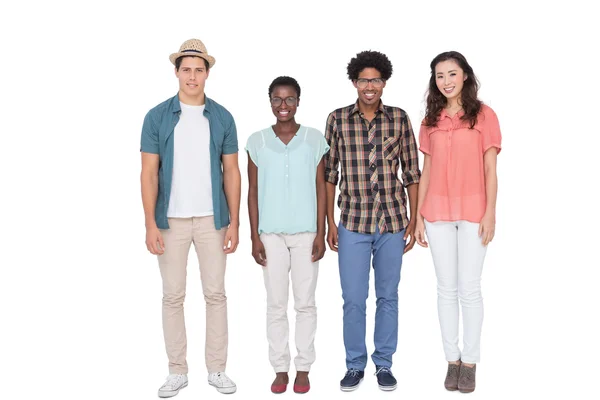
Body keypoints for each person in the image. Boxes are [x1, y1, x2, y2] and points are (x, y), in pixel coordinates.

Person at [139, 38, 241, 397]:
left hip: (213, 220)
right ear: (177, 72)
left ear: (207, 73)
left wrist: (234, 222)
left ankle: (217, 370)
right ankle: (177, 371)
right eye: (186, 69)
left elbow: (232, 172)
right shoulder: (157, 117)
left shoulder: (223, 116)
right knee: (172, 296)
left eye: (199, 69)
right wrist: (151, 223)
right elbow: (148, 173)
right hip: (171, 221)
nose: (192, 76)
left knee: (216, 294)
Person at [323, 51, 421, 392]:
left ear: (384, 82)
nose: (369, 86)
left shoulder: (398, 118)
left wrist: (414, 219)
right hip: (351, 221)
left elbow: (411, 173)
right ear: (354, 82)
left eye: (376, 80)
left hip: (392, 222)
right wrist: (329, 223)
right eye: (363, 79)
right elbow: (329, 173)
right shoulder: (337, 119)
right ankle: (354, 365)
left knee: (388, 296)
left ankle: (384, 364)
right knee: (352, 298)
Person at [414, 51, 502, 394]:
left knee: (470, 287)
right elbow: (427, 170)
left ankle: (471, 362)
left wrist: (491, 212)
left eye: (452, 73)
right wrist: (418, 217)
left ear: (465, 75)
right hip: (436, 210)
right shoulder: (430, 120)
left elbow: (491, 169)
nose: (446, 81)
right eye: (439, 75)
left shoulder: (484, 115)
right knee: (445, 288)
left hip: (474, 210)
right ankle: (451, 360)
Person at [245, 76, 329, 394]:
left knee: (305, 303)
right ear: (270, 102)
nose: (284, 105)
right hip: (271, 234)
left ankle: (304, 367)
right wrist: (254, 236)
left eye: (290, 99)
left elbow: (322, 188)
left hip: (307, 232)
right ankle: (280, 367)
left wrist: (320, 231)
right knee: (276, 303)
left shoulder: (313, 139)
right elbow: (253, 192)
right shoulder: (257, 141)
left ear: (298, 101)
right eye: (278, 99)